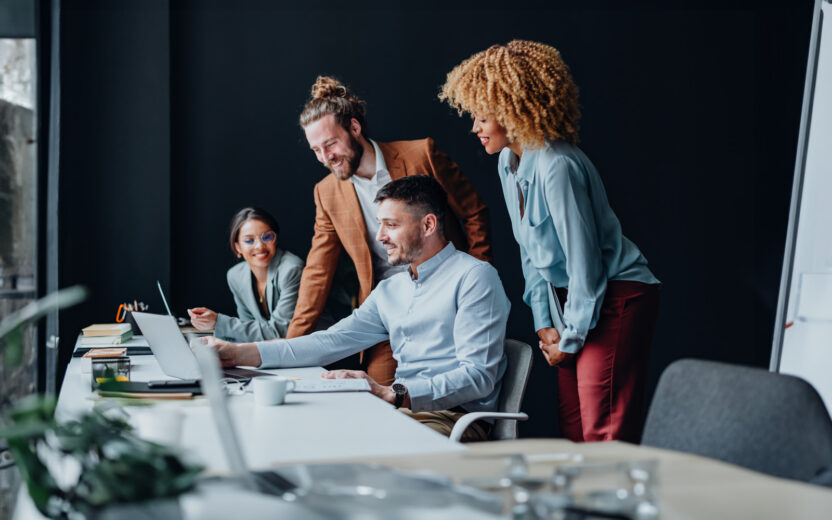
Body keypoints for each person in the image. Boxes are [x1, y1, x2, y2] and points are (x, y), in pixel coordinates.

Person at [439, 40, 661, 443]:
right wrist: (544, 322)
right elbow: (530, 253)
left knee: (602, 427)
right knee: (572, 424)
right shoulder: (509, 165)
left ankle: (609, 506)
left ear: (510, 110)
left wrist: (571, 337)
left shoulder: (557, 165)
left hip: (616, 294)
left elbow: (585, 265)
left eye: (482, 117)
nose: (474, 127)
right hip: (572, 302)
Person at [202, 176, 509, 441]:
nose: (380, 236)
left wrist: (396, 393)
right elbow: (329, 341)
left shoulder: (474, 277)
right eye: (380, 224)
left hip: (453, 419)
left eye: (391, 225)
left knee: (357, 445)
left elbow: (478, 375)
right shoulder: (392, 288)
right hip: (402, 408)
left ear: (428, 224)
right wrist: (238, 353)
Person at [287, 76, 493, 387]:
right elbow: (317, 271)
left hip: (446, 299)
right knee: (379, 403)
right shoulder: (326, 192)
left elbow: (474, 211)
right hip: (386, 311)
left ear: (354, 128)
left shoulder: (421, 155)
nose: (325, 158)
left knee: (447, 395)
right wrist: (290, 350)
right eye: (316, 149)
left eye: (330, 144)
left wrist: (475, 280)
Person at [188, 207, 304, 342]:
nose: (260, 246)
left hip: (310, 351)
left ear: (276, 239)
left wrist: (219, 323)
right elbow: (248, 330)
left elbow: (279, 331)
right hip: (275, 352)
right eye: (249, 240)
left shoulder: (292, 269)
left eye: (267, 237)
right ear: (237, 247)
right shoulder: (236, 276)